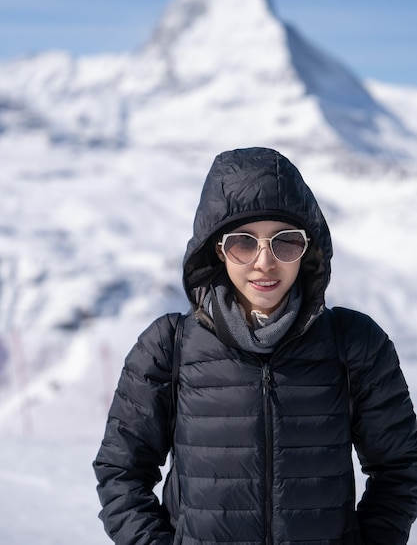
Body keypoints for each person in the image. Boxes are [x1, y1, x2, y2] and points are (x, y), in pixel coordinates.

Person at [93, 147, 417, 545]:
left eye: (285, 242)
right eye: (243, 243)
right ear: (217, 248)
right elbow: (120, 472)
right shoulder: (167, 347)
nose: (265, 262)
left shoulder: (355, 343)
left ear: (307, 250)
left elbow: (401, 468)